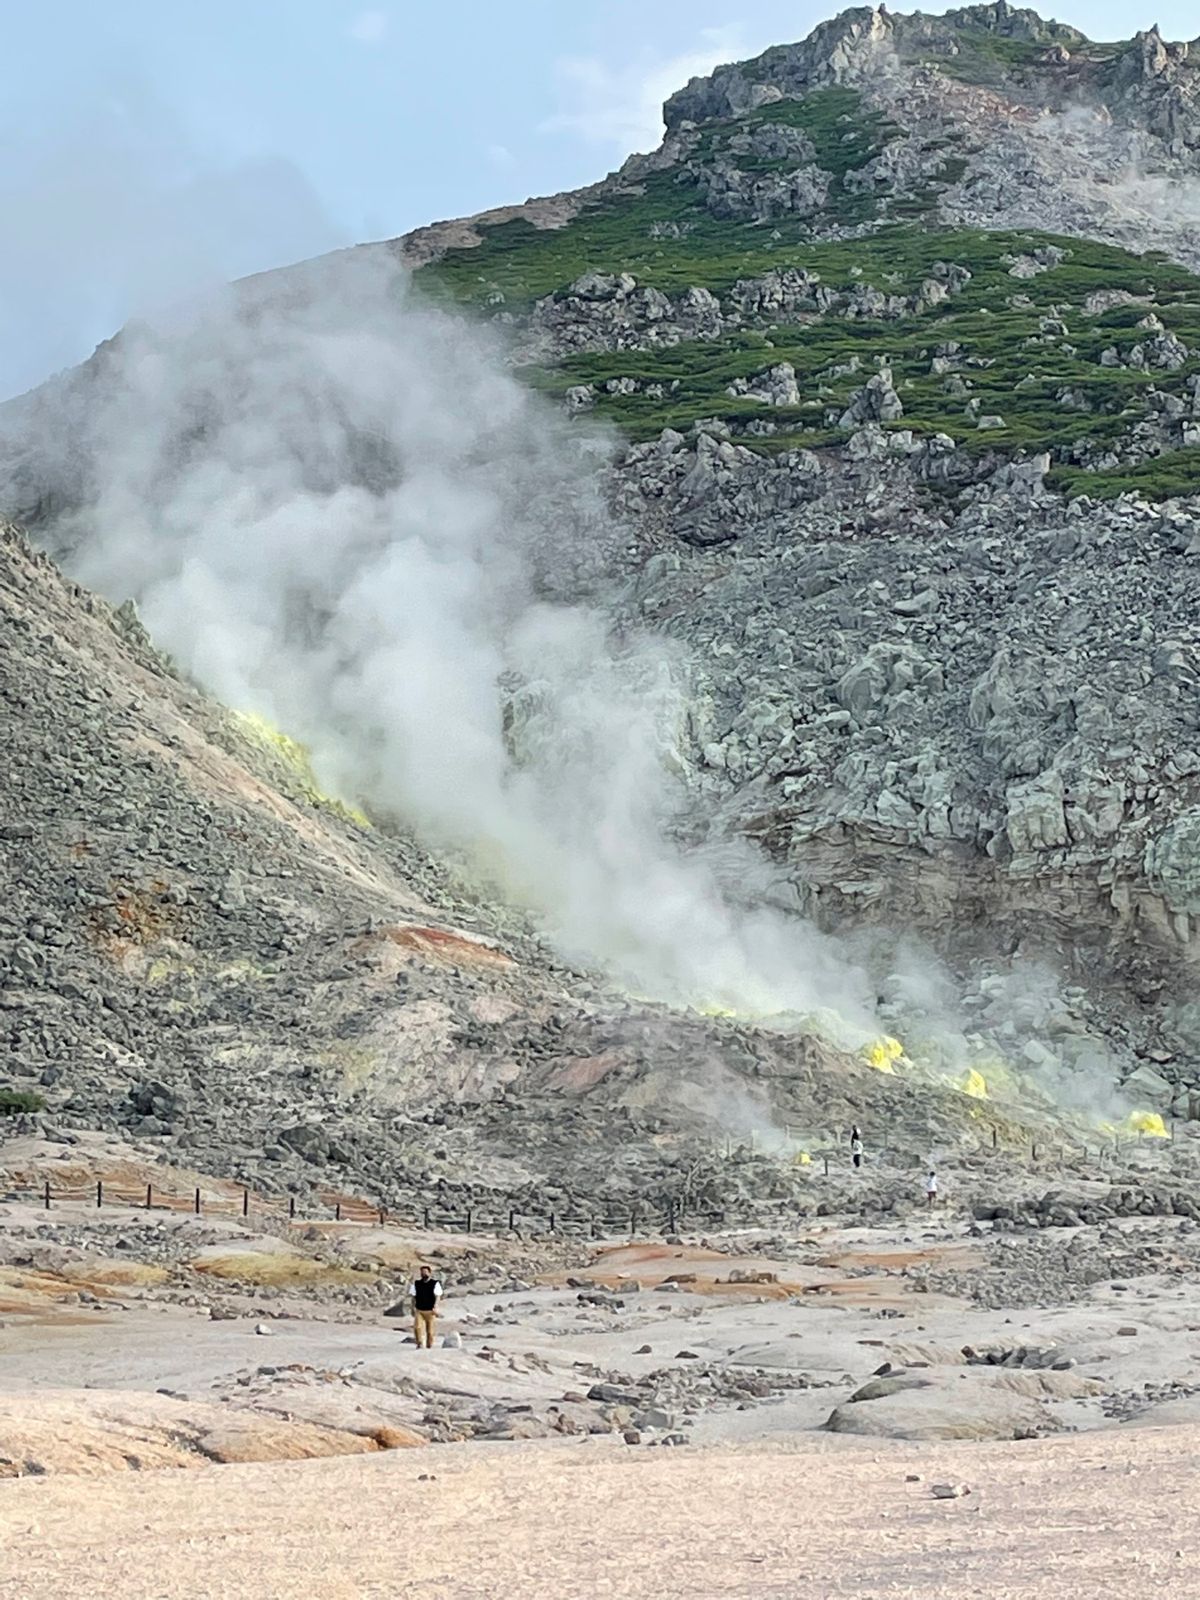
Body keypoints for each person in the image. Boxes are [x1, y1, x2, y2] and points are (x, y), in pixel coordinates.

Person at [409, 1263, 443, 1348]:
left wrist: (435, 1307)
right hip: (419, 1310)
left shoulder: (435, 1284)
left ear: (429, 1273)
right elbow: (413, 1297)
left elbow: (438, 1296)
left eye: (425, 1272)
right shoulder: (416, 1284)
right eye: (422, 1272)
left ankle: (429, 1345)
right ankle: (419, 1343)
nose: (424, 1273)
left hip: (430, 1310)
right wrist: (412, 1307)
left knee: (430, 1331)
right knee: (417, 1327)